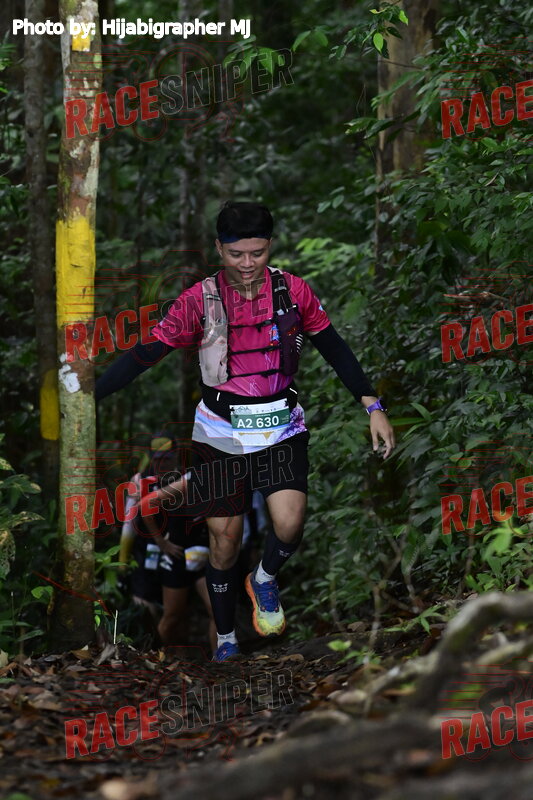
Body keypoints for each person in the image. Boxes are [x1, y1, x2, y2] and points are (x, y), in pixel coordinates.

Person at [96, 201, 395, 662]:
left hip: (281, 425)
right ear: (219, 249)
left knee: (290, 523)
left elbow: (333, 346)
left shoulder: (292, 290)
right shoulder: (198, 300)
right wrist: (93, 393)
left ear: (270, 246)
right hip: (220, 431)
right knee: (224, 540)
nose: (248, 263)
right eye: (237, 254)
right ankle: (226, 639)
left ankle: (264, 578)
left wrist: (372, 404)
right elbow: (147, 353)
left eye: (257, 252)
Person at [121, 432, 217, 652]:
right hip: (152, 550)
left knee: (205, 610)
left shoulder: (189, 476)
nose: (162, 463)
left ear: (176, 455)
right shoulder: (141, 481)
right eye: (158, 458)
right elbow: (130, 521)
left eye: (167, 458)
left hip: (192, 551)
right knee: (151, 608)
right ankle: (151, 656)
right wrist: (124, 560)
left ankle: (213, 658)